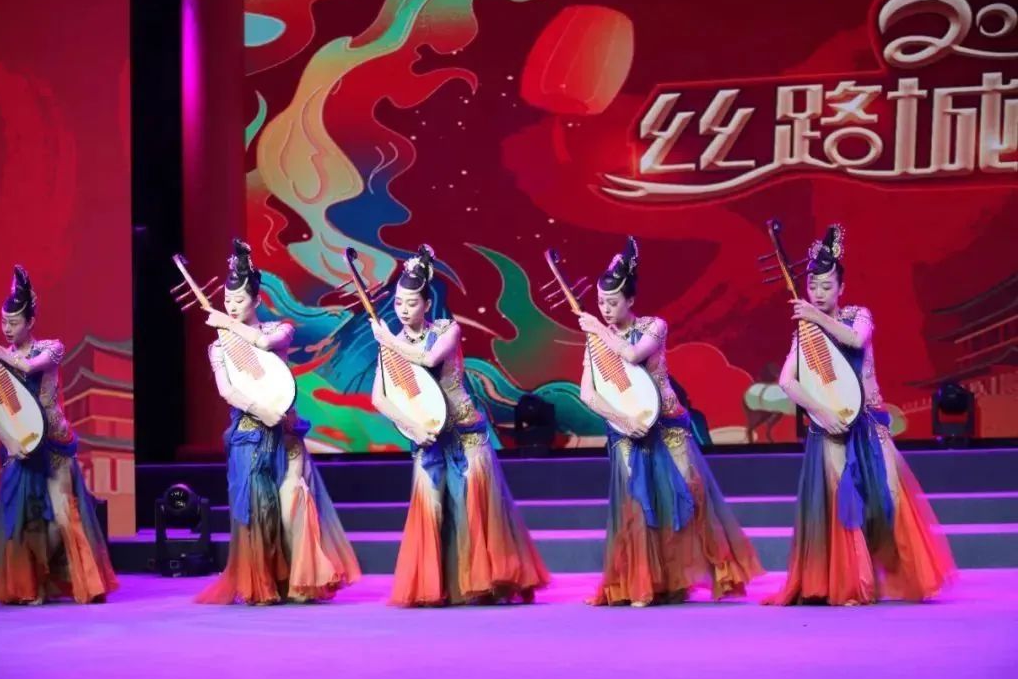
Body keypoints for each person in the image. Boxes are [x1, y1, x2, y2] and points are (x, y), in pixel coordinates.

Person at [764, 225, 956, 605]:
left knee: (890, 495)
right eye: (813, 287)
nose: (818, 294)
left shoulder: (857, 315)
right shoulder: (803, 333)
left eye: (826, 286)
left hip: (869, 421)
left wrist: (815, 318)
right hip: (831, 427)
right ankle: (852, 584)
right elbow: (787, 381)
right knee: (845, 502)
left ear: (841, 288)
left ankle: (901, 576)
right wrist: (820, 411)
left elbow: (855, 340)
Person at [577, 238, 763, 606]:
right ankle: (642, 583)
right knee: (639, 504)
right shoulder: (596, 342)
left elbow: (633, 355)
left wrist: (598, 329)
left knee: (688, 493)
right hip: (627, 430)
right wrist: (621, 419)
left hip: (669, 425)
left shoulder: (653, 326)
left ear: (631, 300)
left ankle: (695, 575)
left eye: (613, 302)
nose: (606, 309)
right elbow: (588, 393)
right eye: (600, 303)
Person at [368, 244, 550, 606]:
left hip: (465, 433)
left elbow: (429, 358)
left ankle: (486, 581)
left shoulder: (447, 330)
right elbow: (380, 398)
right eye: (399, 303)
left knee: (474, 507)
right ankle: (440, 586)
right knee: (432, 509)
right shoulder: (391, 344)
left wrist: (388, 341)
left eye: (411, 303)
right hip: (427, 435)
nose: (403, 310)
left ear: (427, 304)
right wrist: (412, 428)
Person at [196, 240, 359, 604]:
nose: (232, 306)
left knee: (291, 503)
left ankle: (302, 579)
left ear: (256, 300)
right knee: (259, 511)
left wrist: (227, 323)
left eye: (239, 300)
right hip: (250, 435)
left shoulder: (278, 330)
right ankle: (264, 583)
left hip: (286, 436)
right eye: (227, 300)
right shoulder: (219, 347)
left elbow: (265, 346)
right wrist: (260, 410)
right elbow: (227, 390)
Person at [0, 266, 119, 604]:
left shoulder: (51, 349)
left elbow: (27, 367)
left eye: (14, 323)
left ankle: (72, 579)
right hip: (22, 448)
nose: (7, 329)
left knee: (63, 517)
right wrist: (9, 442)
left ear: (30, 322)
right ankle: (32, 587)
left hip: (54, 446)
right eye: (3, 322)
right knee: (27, 523)